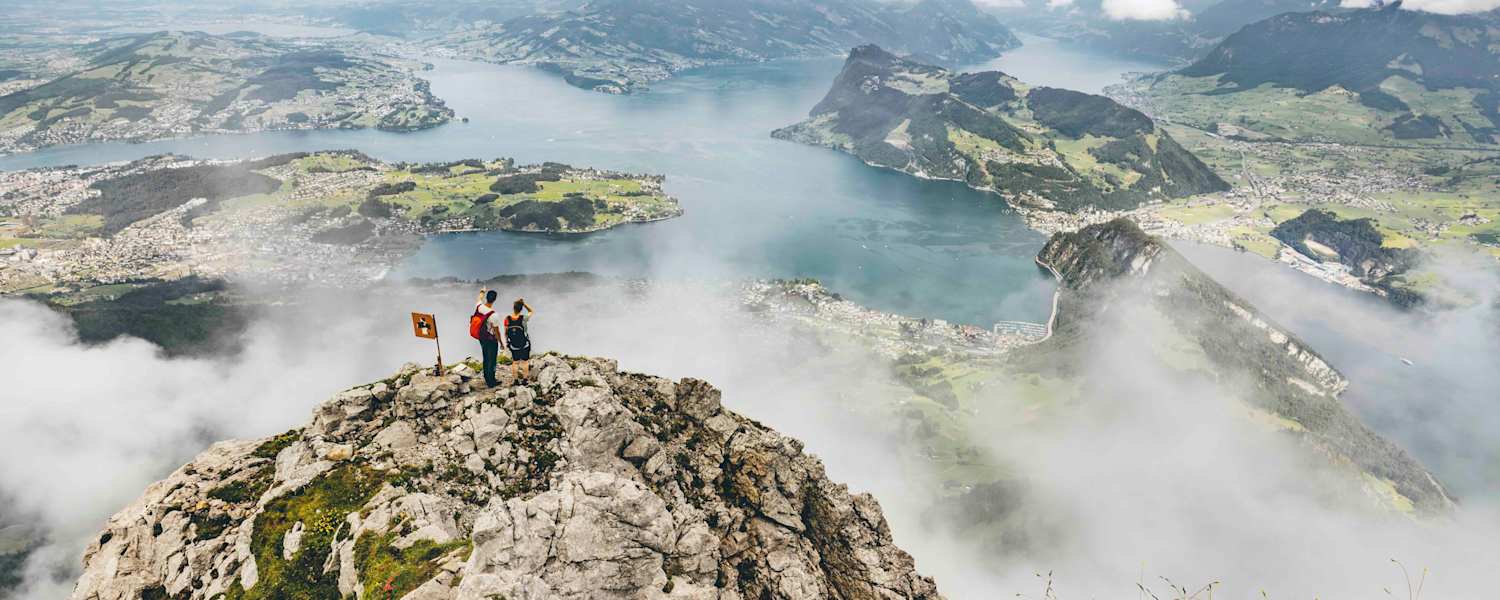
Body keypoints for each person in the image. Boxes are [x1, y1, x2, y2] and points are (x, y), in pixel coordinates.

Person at [473, 288, 501, 387]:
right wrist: (501, 342)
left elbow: (479, 297)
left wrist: (482, 291)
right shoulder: (493, 315)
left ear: (487, 298)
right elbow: (497, 331)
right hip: (491, 339)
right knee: (492, 359)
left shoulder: (479, 306)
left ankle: (486, 377)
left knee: (485, 357)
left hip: (482, 337)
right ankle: (491, 381)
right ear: (494, 299)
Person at [504, 298, 534, 382]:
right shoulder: (523, 318)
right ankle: (525, 380)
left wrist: (507, 342)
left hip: (513, 345)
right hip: (524, 344)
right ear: (521, 309)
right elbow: (531, 311)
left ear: (513, 307)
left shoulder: (507, 319)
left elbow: (506, 332)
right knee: (525, 362)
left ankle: (516, 380)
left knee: (515, 362)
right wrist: (524, 304)